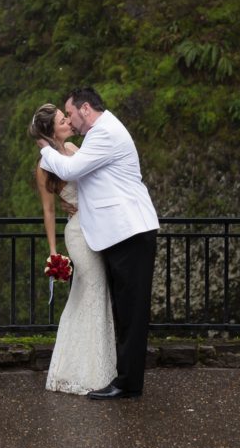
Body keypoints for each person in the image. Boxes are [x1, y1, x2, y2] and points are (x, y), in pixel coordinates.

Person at [36, 87, 159, 400]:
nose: (72, 122)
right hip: (117, 233)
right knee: (125, 309)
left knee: (131, 311)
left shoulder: (104, 133)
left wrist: (44, 148)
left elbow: (72, 170)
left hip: (129, 231)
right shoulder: (99, 133)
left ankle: (127, 383)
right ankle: (123, 378)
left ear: (85, 108)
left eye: (72, 114)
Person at [28, 103, 117, 395]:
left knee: (90, 294)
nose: (68, 121)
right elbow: (49, 211)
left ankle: (88, 365)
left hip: (95, 226)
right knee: (91, 289)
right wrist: (54, 251)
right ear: (50, 130)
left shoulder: (73, 149)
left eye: (66, 117)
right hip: (78, 232)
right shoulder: (45, 166)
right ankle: (88, 372)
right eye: (61, 120)